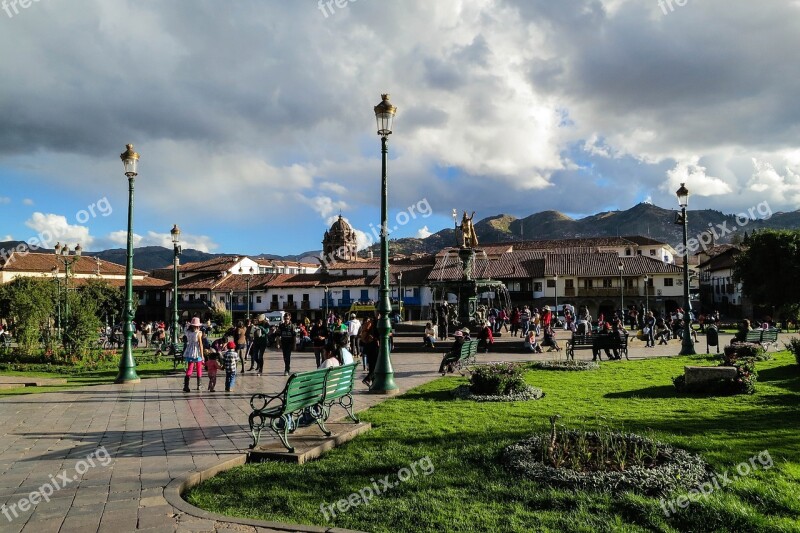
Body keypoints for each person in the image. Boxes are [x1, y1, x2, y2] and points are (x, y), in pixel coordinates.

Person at [182, 317, 205, 392]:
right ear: (198, 326)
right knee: (199, 368)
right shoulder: (198, 333)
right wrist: (202, 355)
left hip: (189, 351)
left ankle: (186, 386)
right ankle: (199, 385)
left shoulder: (188, 332)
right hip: (197, 352)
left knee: (190, 368)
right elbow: (201, 345)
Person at [360, 317, 379, 386]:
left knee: (372, 366)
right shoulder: (376, 323)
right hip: (374, 347)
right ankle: (368, 379)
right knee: (376, 365)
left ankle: (373, 384)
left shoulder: (370, 322)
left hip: (368, 347)